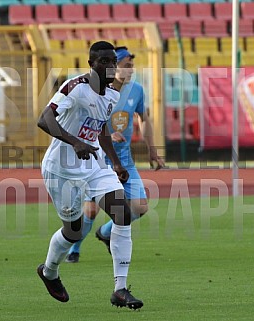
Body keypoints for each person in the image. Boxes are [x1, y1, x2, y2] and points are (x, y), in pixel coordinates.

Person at [37, 41, 143, 310]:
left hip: (93, 164)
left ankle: (120, 289)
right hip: (60, 168)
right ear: (92, 64)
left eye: (113, 62)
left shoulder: (112, 96)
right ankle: (49, 271)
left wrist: (117, 164)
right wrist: (74, 142)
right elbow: (45, 118)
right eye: (104, 62)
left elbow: (102, 129)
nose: (110, 67)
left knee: (123, 213)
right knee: (73, 232)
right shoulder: (75, 87)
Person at [65, 46, 165, 263]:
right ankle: (74, 248)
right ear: (113, 67)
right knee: (90, 211)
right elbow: (85, 123)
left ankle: (105, 232)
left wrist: (152, 149)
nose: (131, 70)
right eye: (126, 66)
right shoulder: (95, 91)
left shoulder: (136, 90)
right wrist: (107, 138)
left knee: (140, 206)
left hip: (123, 161)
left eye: (132, 66)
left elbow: (143, 118)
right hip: (97, 160)